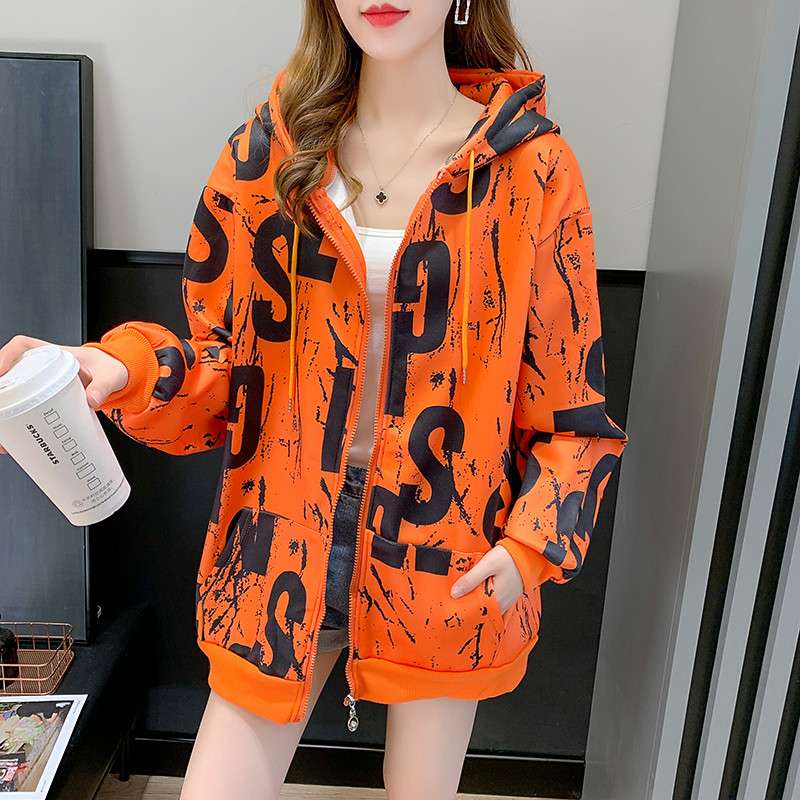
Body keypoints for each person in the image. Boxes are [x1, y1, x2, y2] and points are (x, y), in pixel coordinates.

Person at [0, 1, 630, 797]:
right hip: (280, 533)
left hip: (447, 549)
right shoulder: (264, 156)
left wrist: (531, 544)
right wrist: (119, 367)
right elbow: (222, 368)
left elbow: (573, 407)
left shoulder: (533, 170)